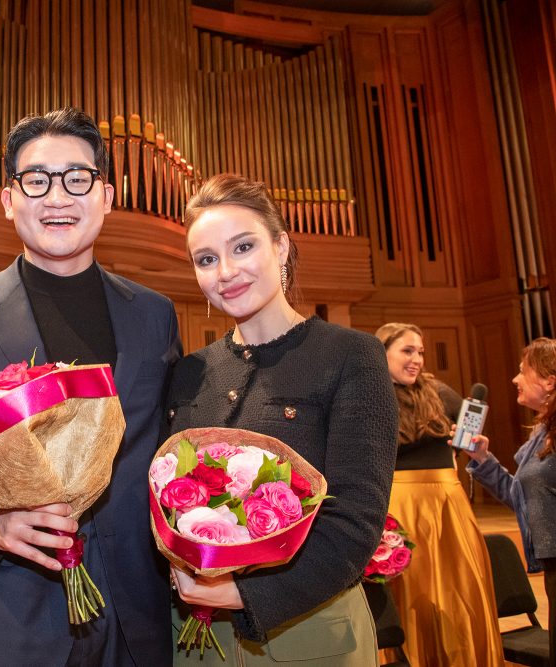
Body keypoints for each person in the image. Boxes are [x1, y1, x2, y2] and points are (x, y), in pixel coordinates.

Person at [0, 107, 182, 666]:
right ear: (9, 200)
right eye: (36, 180)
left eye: (77, 178)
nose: (57, 197)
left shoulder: (155, 314)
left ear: (106, 195)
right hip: (10, 612)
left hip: (139, 613)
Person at [164, 173, 398, 665]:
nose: (226, 271)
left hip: (309, 630)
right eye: (206, 260)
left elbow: (357, 518)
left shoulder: (351, 355)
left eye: (243, 247)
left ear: (282, 247)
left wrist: (243, 596)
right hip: (197, 641)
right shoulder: (191, 371)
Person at [374, 322, 504, 666]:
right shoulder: (369, 395)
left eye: (420, 352)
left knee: (458, 589)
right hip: (401, 507)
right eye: (407, 351)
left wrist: (474, 445)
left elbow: (461, 443)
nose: (416, 359)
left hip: (449, 502)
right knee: (413, 595)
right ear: (382, 352)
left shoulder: (439, 392)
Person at [465, 337, 556, 665]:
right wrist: (483, 459)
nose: (515, 379)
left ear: (548, 381)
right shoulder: (541, 434)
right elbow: (522, 497)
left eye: (523, 372)